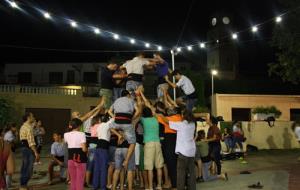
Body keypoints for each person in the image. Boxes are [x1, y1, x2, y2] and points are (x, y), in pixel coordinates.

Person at [93, 114, 122, 190]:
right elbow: (114, 118)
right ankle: (103, 187)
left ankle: (95, 186)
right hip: (104, 148)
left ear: (100, 120)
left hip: (98, 147)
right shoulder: (107, 124)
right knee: (103, 168)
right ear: (107, 120)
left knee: (96, 168)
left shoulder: (99, 126)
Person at [169, 110, 196, 190]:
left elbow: (168, 123)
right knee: (191, 172)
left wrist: (160, 116)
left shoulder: (181, 125)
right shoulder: (193, 124)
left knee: (181, 173)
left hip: (183, 152)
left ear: (183, 116)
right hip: (191, 152)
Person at [140, 107, 164, 190]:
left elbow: (138, 111)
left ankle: (150, 187)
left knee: (149, 168)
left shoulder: (143, 120)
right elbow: (153, 111)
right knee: (159, 166)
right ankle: (159, 186)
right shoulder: (156, 119)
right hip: (157, 143)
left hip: (149, 144)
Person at [64, 118, 87, 190]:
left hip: (70, 158)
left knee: (73, 180)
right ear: (79, 126)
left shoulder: (66, 134)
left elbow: (67, 144)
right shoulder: (82, 134)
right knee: (79, 181)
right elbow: (83, 149)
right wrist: (87, 149)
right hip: (80, 158)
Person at [19, 112, 39, 190]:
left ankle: (23, 185)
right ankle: (23, 185)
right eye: (32, 116)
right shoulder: (28, 127)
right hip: (28, 149)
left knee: (25, 167)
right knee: (28, 168)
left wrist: (34, 123)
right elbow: (30, 142)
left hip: (24, 148)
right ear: (28, 117)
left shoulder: (24, 126)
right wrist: (36, 152)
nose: (33, 117)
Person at [4, 123, 18, 188]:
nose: (16, 129)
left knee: (9, 169)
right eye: (15, 127)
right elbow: (13, 143)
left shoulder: (10, 134)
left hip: (9, 152)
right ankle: (7, 184)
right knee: (9, 169)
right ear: (12, 127)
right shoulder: (9, 134)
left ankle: (8, 183)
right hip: (8, 152)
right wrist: (16, 136)